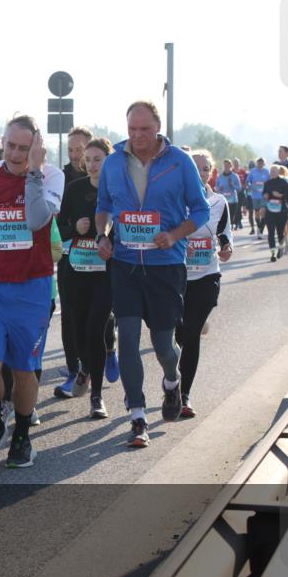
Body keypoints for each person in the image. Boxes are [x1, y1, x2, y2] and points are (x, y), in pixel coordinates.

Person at [94, 100, 210, 447]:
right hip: (126, 263)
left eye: (145, 129)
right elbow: (103, 207)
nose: (138, 136)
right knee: (127, 337)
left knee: (163, 345)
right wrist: (102, 235)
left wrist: (174, 235)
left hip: (165, 265)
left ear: (157, 128)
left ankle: (172, 382)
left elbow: (200, 209)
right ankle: (137, 417)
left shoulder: (179, 162)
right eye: (132, 129)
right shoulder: (114, 162)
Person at [0, 115, 64, 469]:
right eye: (11, 146)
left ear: (36, 147)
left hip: (32, 287)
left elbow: (36, 220)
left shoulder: (51, 176)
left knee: (23, 369)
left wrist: (33, 171)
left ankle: (22, 435)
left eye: (24, 147)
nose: (16, 154)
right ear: (1, 141)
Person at [57, 137, 115, 419]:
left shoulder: (117, 190)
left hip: (105, 273)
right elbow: (58, 228)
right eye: (88, 159)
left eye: (98, 159)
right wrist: (74, 228)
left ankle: (97, 396)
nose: (91, 165)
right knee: (78, 332)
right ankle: (84, 368)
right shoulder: (75, 188)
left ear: (109, 161)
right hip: (76, 271)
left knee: (96, 331)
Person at [176, 150, 233, 418]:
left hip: (207, 277)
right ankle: (173, 382)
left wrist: (226, 247)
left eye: (205, 169)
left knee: (191, 335)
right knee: (178, 335)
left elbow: (224, 233)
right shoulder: (174, 200)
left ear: (211, 173)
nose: (201, 173)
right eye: (195, 168)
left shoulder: (219, 202)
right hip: (175, 279)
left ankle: (183, 395)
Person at [53, 127, 93, 397]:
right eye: (70, 150)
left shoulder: (105, 176)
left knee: (98, 318)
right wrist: (73, 230)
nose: (76, 155)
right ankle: (73, 371)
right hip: (69, 256)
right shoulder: (62, 178)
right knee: (69, 316)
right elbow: (56, 225)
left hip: (100, 260)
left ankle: (107, 348)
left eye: (80, 150)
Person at [261, 164, 288, 262]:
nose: (272, 173)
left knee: (280, 232)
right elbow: (263, 193)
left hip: (282, 211)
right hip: (270, 211)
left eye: (274, 171)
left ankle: (281, 247)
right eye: (271, 171)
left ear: (278, 172)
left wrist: (281, 195)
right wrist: (266, 195)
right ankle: (272, 254)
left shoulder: (284, 183)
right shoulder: (267, 183)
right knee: (271, 233)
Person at [214, 159, 242, 233]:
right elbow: (215, 188)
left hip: (233, 200)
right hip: (223, 200)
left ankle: (231, 225)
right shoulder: (220, 176)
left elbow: (239, 188)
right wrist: (219, 188)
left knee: (231, 215)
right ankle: (226, 229)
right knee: (224, 215)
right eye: (225, 165)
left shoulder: (235, 176)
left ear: (230, 166)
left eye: (227, 165)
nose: (226, 166)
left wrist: (232, 184)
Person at [246, 158, 270, 238]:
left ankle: (260, 231)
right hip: (255, 195)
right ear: (257, 163)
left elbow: (270, 182)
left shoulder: (267, 172)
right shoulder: (253, 171)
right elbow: (248, 181)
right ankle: (259, 227)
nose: (260, 164)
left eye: (261, 163)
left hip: (264, 196)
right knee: (257, 213)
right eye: (259, 162)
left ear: (264, 164)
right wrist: (250, 186)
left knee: (263, 211)